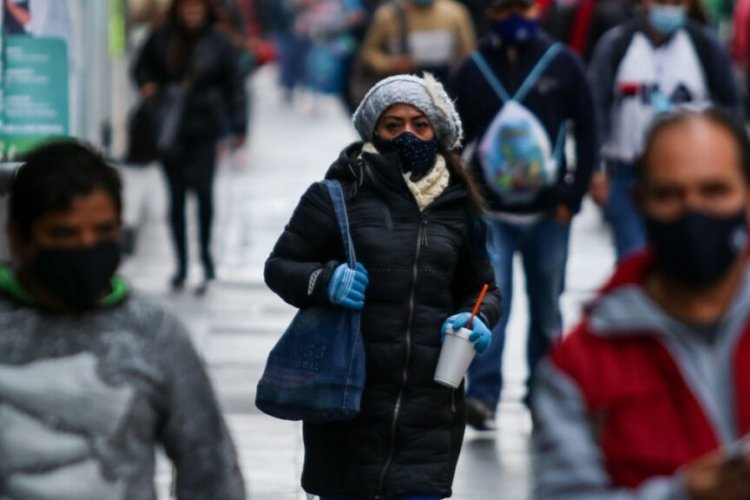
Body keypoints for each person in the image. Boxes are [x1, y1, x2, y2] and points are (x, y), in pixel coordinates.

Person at [264, 73, 502, 499]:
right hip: (348, 403)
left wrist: (477, 316)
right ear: (374, 130)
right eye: (393, 125)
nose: (407, 134)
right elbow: (281, 266)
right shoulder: (336, 193)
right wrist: (324, 281)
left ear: (438, 133)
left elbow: (484, 288)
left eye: (420, 124)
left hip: (429, 410)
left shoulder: (459, 205)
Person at [0, 141, 245, 499]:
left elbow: (209, 471)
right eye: (64, 234)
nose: (86, 247)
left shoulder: (155, 333)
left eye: (103, 233)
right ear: (19, 239)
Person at [533, 108, 750, 499]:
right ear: (639, 202)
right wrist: (685, 494)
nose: (692, 212)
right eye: (669, 195)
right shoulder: (581, 365)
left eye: (715, 191)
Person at [448, 0, 596, 430]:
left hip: (549, 214)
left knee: (547, 309)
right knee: (493, 305)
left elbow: (588, 128)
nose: (516, 16)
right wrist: (462, 199)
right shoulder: (473, 69)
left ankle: (545, 397)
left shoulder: (562, 64)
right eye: (504, 7)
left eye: (524, 6)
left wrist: (574, 193)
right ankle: (483, 395)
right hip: (491, 215)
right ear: (489, 14)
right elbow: (453, 140)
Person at [587, 0, 739, 262]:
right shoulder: (617, 44)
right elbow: (595, 107)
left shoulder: (703, 44)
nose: (668, 8)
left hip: (691, 172)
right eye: (661, 1)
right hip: (627, 171)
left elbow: (731, 105)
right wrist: (595, 169)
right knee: (633, 258)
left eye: (676, 2)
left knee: (687, 257)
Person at [131, 0, 247, 294]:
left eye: (198, 9)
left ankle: (206, 259)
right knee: (177, 196)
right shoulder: (162, 36)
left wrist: (239, 126)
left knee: (205, 194)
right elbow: (140, 68)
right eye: (188, 9)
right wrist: (148, 85)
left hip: (205, 126)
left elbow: (235, 84)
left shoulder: (218, 40)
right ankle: (181, 264)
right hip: (170, 128)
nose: (193, 15)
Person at [358, 0, 476, 85]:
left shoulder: (455, 13)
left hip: (445, 87)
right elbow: (368, 53)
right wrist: (391, 64)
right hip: (402, 87)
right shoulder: (389, 15)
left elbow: (468, 55)